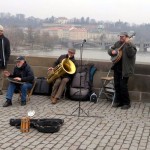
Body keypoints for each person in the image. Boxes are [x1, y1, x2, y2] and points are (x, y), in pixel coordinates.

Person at [108, 32, 137, 109]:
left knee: (123, 86)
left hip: (125, 69)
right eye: (120, 36)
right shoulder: (117, 43)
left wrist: (128, 44)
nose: (121, 38)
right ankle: (118, 102)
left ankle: (126, 103)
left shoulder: (131, 45)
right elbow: (110, 49)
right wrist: (112, 52)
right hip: (117, 68)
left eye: (122, 37)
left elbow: (131, 54)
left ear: (127, 37)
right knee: (117, 85)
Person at [0, 25, 11, 95]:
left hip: (2, 62)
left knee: (1, 77)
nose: (0, 32)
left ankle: (0, 89)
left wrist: (6, 59)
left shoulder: (6, 40)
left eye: (1, 31)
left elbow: (8, 51)